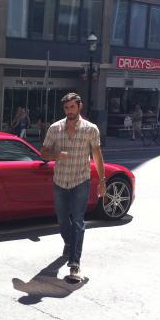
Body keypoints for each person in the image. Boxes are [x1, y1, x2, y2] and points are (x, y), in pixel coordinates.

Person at [40, 93, 106, 282]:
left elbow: (97, 155)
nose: (69, 111)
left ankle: (74, 263)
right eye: (66, 108)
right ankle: (69, 243)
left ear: (79, 107)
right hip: (60, 181)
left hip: (80, 181)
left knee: (78, 221)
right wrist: (55, 155)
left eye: (72, 107)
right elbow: (43, 152)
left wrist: (102, 181)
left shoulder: (90, 129)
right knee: (62, 220)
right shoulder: (55, 128)